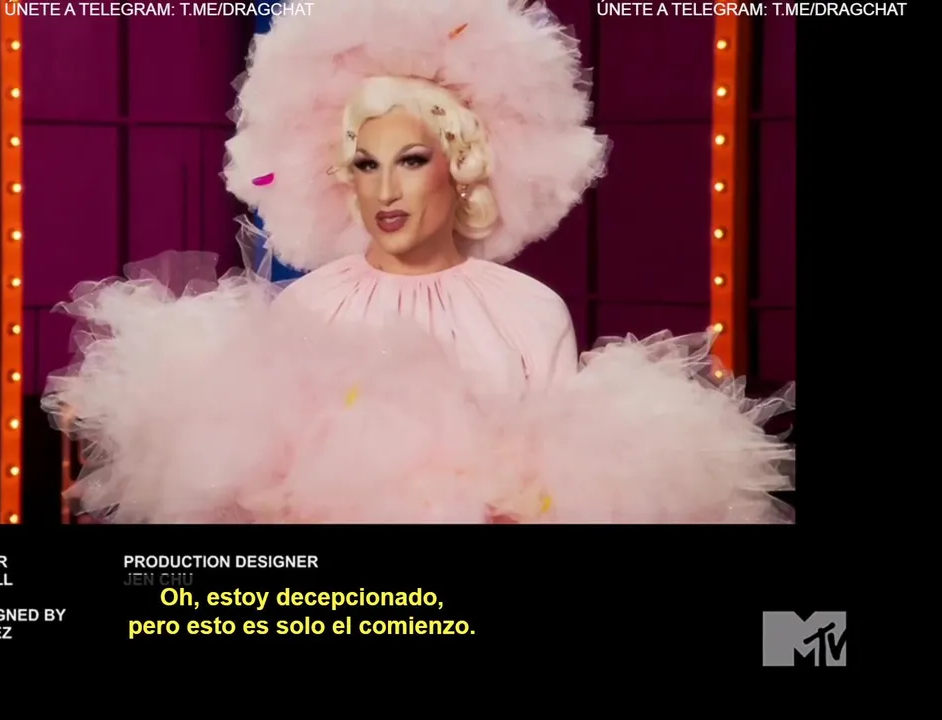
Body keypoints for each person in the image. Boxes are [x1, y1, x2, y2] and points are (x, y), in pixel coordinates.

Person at [44, 0, 795, 524]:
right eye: (365, 165)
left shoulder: (530, 313)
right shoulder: (311, 306)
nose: (385, 191)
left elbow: (562, 493)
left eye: (410, 160)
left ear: (460, 165)